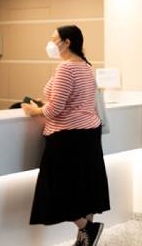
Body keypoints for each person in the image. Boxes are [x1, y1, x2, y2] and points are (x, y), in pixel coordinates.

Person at [22, 25, 109, 246]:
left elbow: (54, 110)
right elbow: (72, 101)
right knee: (85, 188)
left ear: (67, 42)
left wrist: (34, 110)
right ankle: (84, 240)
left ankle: (87, 228)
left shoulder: (66, 69)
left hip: (67, 137)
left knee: (57, 188)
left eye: (54, 39)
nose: (50, 43)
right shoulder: (86, 66)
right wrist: (46, 104)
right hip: (89, 134)